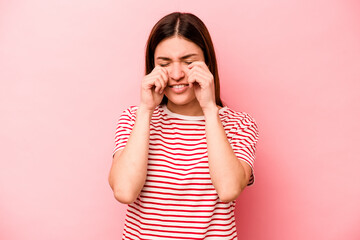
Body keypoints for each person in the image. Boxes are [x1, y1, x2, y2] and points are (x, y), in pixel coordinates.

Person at [108, 11, 259, 239]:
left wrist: (209, 109)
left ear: (207, 64)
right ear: (152, 67)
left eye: (189, 62)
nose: (177, 74)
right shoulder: (134, 118)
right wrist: (146, 110)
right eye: (165, 64)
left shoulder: (239, 124)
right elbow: (125, 191)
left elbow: (228, 190)